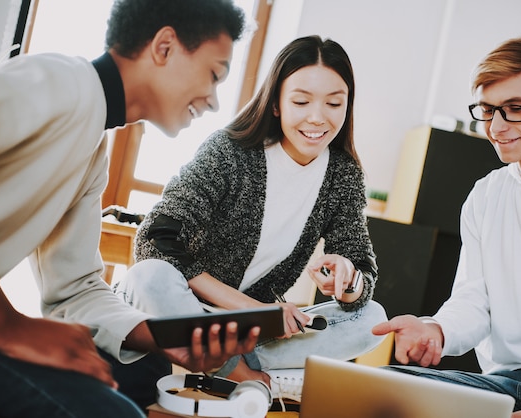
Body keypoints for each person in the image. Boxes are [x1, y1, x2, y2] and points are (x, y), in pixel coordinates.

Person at [0, 1, 260, 417]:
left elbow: (74, 288)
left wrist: (164, 336)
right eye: (214, 75)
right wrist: (6, 322)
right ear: (164, 47)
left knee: (139, 375)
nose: (214, 101)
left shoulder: (91, 148)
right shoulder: (58, 81)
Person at [113, 34, 388, 406]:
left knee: (372, 317)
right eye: (301, 101)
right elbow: (155, 239)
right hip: (186, 311)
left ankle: (227, 365)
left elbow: (361, 274)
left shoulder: (343, 176)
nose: (318, 118)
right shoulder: (230, 151)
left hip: (246, 332)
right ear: (276, 104)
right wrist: (254, 309)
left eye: (334, 103)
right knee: (149, 276)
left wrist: (347, 278)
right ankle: (241, 374)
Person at [372, 34, 521, 418]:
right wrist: (436, 330)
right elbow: (474, 302)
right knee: (380, 389)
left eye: (515, 108)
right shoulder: (486, 195)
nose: (496, 126)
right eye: (487, 110)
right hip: (502, 382)